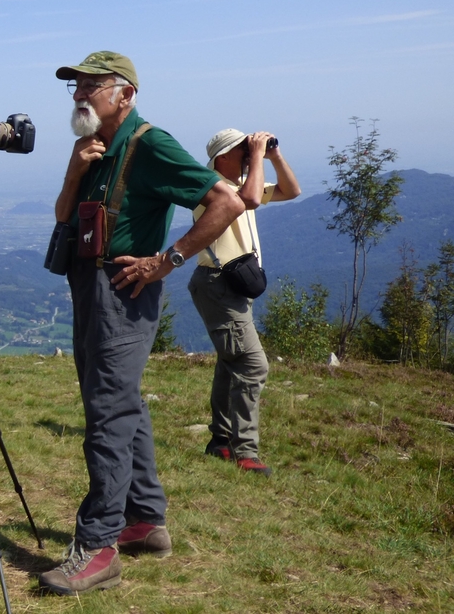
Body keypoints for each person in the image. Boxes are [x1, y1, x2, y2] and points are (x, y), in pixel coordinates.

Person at [40, 51, 244, 596]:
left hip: (124, 291)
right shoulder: (95, 146)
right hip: (90, 283)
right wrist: (75, 169)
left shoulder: (150, 144)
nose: (80, 94)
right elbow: (63, 215)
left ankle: (98, 546)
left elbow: (226, 202)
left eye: (92, 86)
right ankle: (146, 521)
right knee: (119, 400)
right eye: (76, 86)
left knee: (106, 412)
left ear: (125, 94)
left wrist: (166, 261)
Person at [189, 129, 300, 476]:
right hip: (217, 285)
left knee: (231, 362)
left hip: (233, 286)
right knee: (252, 365)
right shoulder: (212, 188)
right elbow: (250, 199)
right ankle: (245, 451)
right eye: (242, 149)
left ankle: (221, 441)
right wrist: (257, 156)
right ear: (222, 157)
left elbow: (291, 191)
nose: (249, 154)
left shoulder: (239, 183)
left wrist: (273, 156)